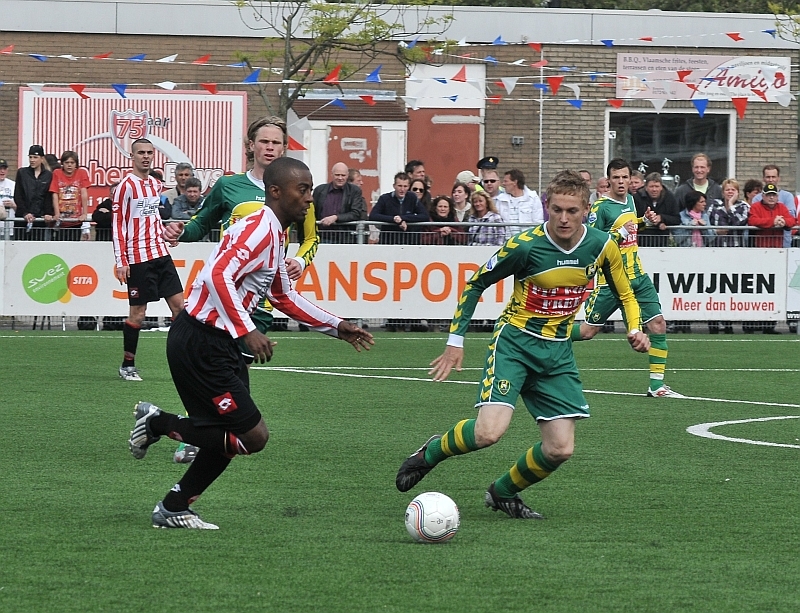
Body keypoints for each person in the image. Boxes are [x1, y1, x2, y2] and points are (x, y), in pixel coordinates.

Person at [128, 157, 374, 530]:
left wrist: (336, 326)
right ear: (276, 192)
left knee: (229, 435)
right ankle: (159, 423)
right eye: (302, 190)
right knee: (252, 436)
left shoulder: (276, 233)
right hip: (202, 341)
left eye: (311, 190)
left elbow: (283, 295)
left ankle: (174, 507)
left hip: (215, 342)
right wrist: (246, 329)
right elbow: (216, 274)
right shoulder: (260, 228)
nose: (310, 199)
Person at [395, 170, 649, 519]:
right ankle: (431, 453)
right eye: (556, 209)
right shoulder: (526, 245)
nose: (563, 218)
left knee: (560, 449)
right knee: (488, 434)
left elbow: (625, 292)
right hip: (514, 344)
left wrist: (635, 327)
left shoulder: (602, 246)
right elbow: (475, 284)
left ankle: (502, 492)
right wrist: (455, 342)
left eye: (572, 211)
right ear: (546, 206)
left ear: (586, 210)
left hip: (557, 352)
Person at [163, 115, 319, 462]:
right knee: (224, 379)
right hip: (226, 299)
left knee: (233, 378)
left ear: (284, 147)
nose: (269, 147)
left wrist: (301, 261)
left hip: (260, 301)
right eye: (263, 141)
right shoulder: (230, 186)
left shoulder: (297, 189)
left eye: (276, 142)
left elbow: (310, 237)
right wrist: (181, 232)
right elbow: (202, 223)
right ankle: (194, 433)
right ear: (251, 146)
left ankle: (199, 438)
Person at [572, 158, 683, 398]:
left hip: (638, 277)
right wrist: (618, 233)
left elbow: (631, 230)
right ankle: (548, 332)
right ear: (608, 180)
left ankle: (657, 386)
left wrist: (644, 222)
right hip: (612, 281)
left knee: (658, 324)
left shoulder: (631, 201)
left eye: (625, 178)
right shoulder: (601, 207)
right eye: (616, 178)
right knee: (587, 331)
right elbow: (594, 243)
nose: (621, 182)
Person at [113, 138, 185, 381]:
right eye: (141, 152)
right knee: (138, 314)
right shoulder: (126, 186)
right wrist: (121, 260)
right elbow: (118, 225)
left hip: (161, 255)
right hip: (138, 258)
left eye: (149, 152)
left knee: (180, 309)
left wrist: (167, 236)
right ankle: (127, 365)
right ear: (132, 156)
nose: (145, 156)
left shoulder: (155, 184)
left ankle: (185, 362)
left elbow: (153, 219)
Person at [313, 161, 366, 243]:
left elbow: (356, 213)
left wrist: (336, 217)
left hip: (345, 238)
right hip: (322, 236)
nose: (340, 178)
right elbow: (312, 211)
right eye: (337, 175)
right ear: (332, 174)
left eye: (343, 175)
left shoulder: (354, 191)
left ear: (347, 176)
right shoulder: (320, 190)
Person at [368, 172, 429, 244]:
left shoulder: (412, 198)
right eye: (400, 186)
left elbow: (425, 216)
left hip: (408, 241)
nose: (402, 189)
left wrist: (403, 218)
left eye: (405, 186)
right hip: (388, 241)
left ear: (409, 187)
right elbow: (373, 215)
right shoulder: (385, 198)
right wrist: (393, 219)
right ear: (394, 186)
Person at [14, 145, 54, 241]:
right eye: (30, 157)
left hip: (39, 219)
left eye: (35, 157)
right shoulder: (22, 173)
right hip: (22, 219)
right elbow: (18, 195)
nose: (32, 160)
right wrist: (25, 213)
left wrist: (48, 213)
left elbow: (48, 197)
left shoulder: (48, 175)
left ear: (42, 158)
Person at [49, 150, 91, 241]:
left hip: (75, 220)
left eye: (72, 162)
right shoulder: (57, 173)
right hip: (61, 221)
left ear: (76, 164)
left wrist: (84, 214)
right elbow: (55, 194)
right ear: (62, 164)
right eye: (66, 162)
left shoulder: (82, 173)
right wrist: (57, 213)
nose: (69, 165)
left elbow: (84, 193)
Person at [752, 165, 797, 248]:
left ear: (778, 178)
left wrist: (782, 221)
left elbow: (792, 217)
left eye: (773, 177)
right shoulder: (756, 198)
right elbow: (753, 220)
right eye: (768, 177)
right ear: (763, 178)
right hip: (762, 243)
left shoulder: (787, 196)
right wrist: (773, 221)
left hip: (784, 242)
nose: (771, 180)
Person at [633, 172, 680, 247]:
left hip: (662, 242)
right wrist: (655, 222)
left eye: (657, 186)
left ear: (661, 187)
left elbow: (677, 219)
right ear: (646, 187)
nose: (654, 189)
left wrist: (661, 218)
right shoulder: (637, 198)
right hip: (641, 241)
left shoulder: (669, 197)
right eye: (651, 186)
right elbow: (633, 218)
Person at [495, 168, 543, 239]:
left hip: (527, 241)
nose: (503, 184)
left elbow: (538, 222)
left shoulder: (533, 198)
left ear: (515, 182)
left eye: (506, 181)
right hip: (507, 241)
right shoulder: (500, 200)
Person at [708, 178, 749, 248]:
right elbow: (707, 224)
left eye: (733, 190)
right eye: (727, 190)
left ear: (738, 193)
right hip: (716, 247)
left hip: (736, 247)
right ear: (723, 193)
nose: (730, 192)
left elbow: (739, 223)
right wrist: (716, 232)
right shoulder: (714, 205)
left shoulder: (744, 206)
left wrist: (730, 204)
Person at [0, 159, 16, 240]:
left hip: (9, 229)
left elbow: (21, 207)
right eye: (0, 169)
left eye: (4, 168)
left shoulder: (13, 185)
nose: (2, 171)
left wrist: (13, 205)